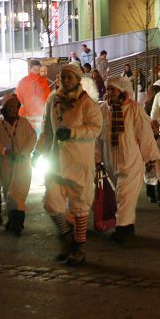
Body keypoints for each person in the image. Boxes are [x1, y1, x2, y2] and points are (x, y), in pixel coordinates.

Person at [38, 63, 103, 266]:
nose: (65, 81)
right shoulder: (53, 100)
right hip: (56, 162)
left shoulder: (87, 103)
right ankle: (66, 235)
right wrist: (37, 152)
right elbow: (46, 129)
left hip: (78, 162)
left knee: (80, 204)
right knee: (51, 202)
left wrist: (73, 133)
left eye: (69, 78)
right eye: (62, 77)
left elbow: (95, 128)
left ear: (77, 80)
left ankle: (79, 248)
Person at [98, 76, 160, 244]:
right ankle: (128, 227)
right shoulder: (103, 109)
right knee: (121, 195)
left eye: (113, 89)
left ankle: (122, 229)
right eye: (108, 89)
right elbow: (98, 137)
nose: (109, 93)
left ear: (122, 91)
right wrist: (97, 159)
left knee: (125, 195)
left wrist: (150, 158)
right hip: (111, 161)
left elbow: (144, 134)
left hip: (131, 161)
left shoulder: (134, 109)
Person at [0, 93, 36, 236]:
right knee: (8, 194)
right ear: (5, 109)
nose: (13, 109)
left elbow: (32, 138)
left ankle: (18, 224)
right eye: (10, 107)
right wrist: (5, 151)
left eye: (16, 106)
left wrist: (24, 153)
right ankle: (12, 220)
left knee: (20, 194)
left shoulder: (25, 123)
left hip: (22, 165)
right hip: (6, 165)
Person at [16, 59, 51, 136]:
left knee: (39, 135)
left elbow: (48, 97)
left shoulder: (43, 81)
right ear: (30, 69)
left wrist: (46, 110)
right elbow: (18, 98)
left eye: (38, 70)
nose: (36, 72)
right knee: (28, 135)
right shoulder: (23, 81)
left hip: (40, 114)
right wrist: (22, 111)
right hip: (27, 114)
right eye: (34, 69)